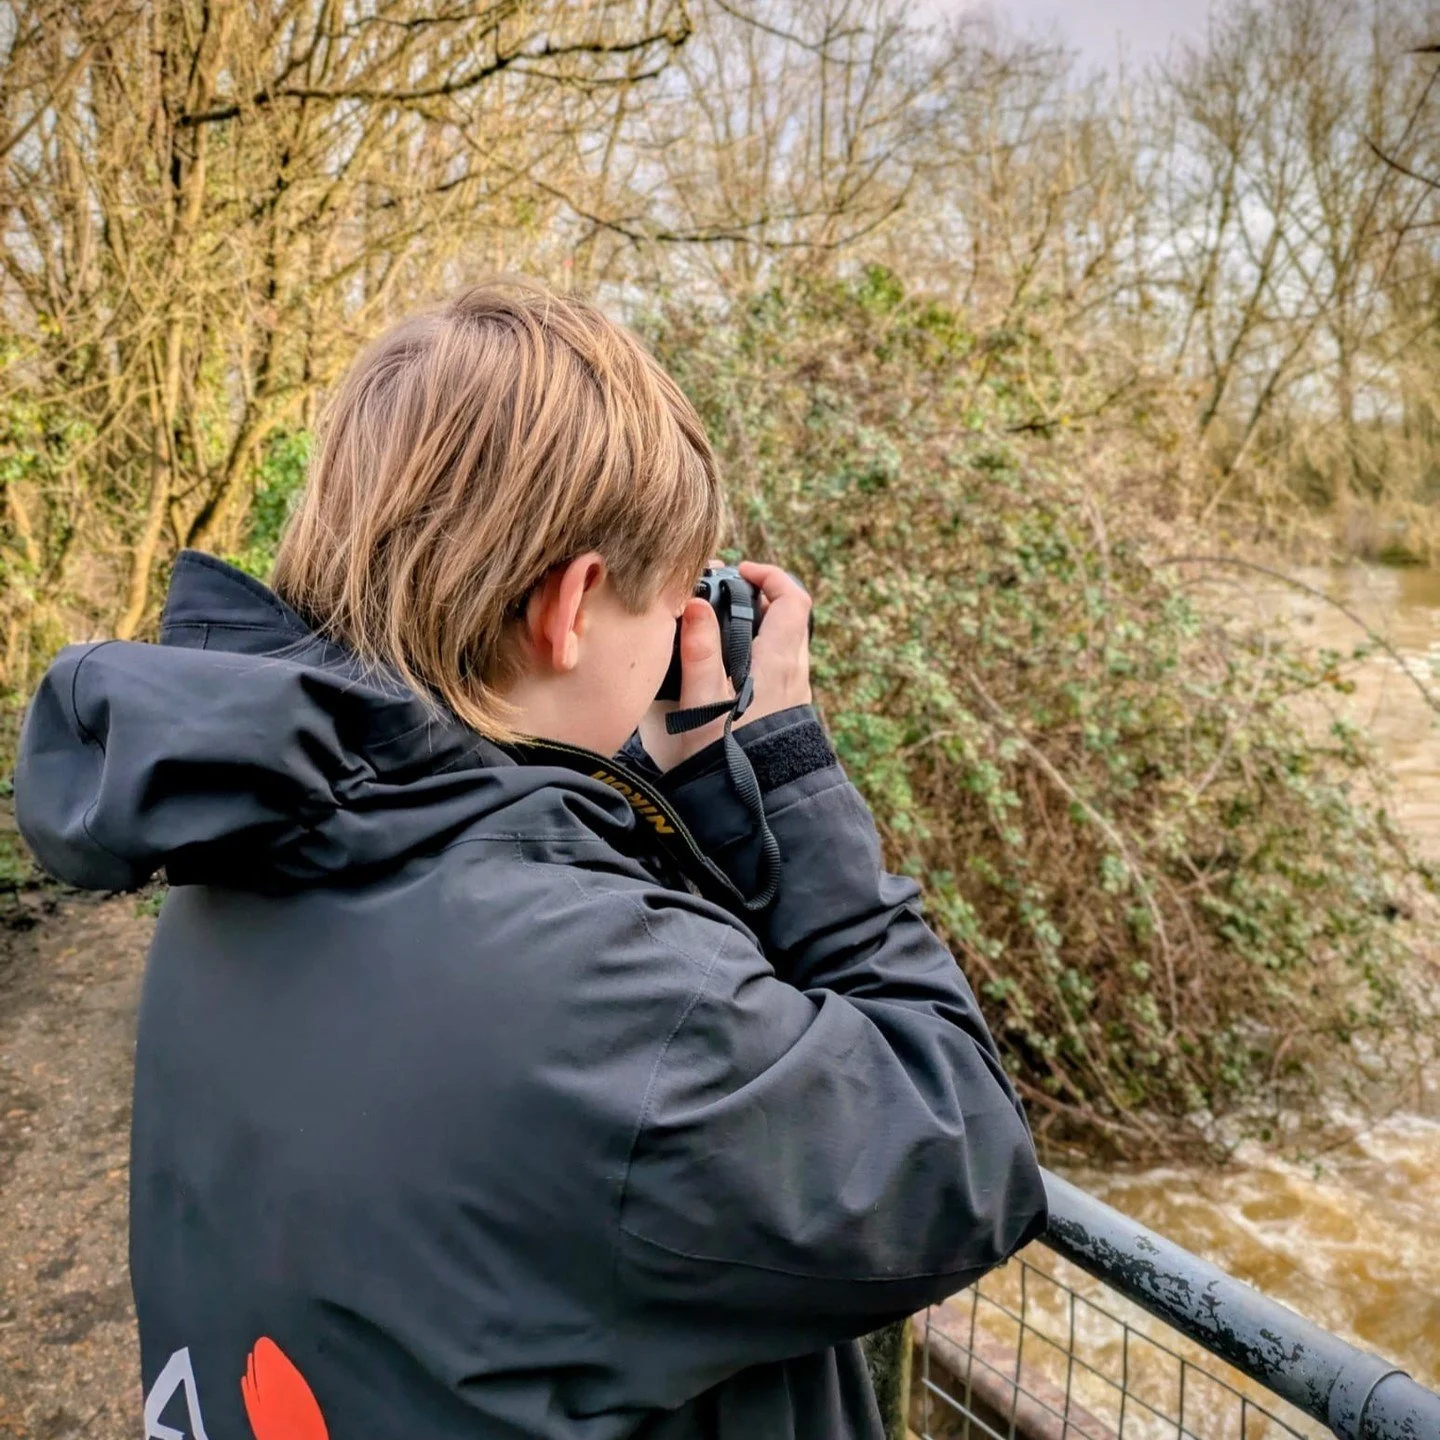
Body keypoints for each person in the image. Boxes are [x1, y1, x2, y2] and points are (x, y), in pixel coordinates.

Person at [14, 280, 1047, 1440]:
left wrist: (669, 798)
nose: (677, 639)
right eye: (669, 604)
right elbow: (966, 1157)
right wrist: (791, 768)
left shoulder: (246, 848)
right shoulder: (595, 996)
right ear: (572, 605)